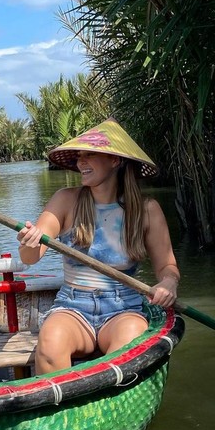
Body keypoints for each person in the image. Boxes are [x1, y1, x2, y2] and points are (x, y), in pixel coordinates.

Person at [17, 118, 179, 376]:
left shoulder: (147, 210)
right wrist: (29, 240)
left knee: (129, 348)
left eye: (89, 155)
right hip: (72, 306)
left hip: (123, 307)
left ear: (115, 160)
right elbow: (31, 257)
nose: (81, 162)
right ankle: (59, 412)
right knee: (50, 344)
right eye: (79, 156)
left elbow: (167, 267)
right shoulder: (65, 200)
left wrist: (168, 283)